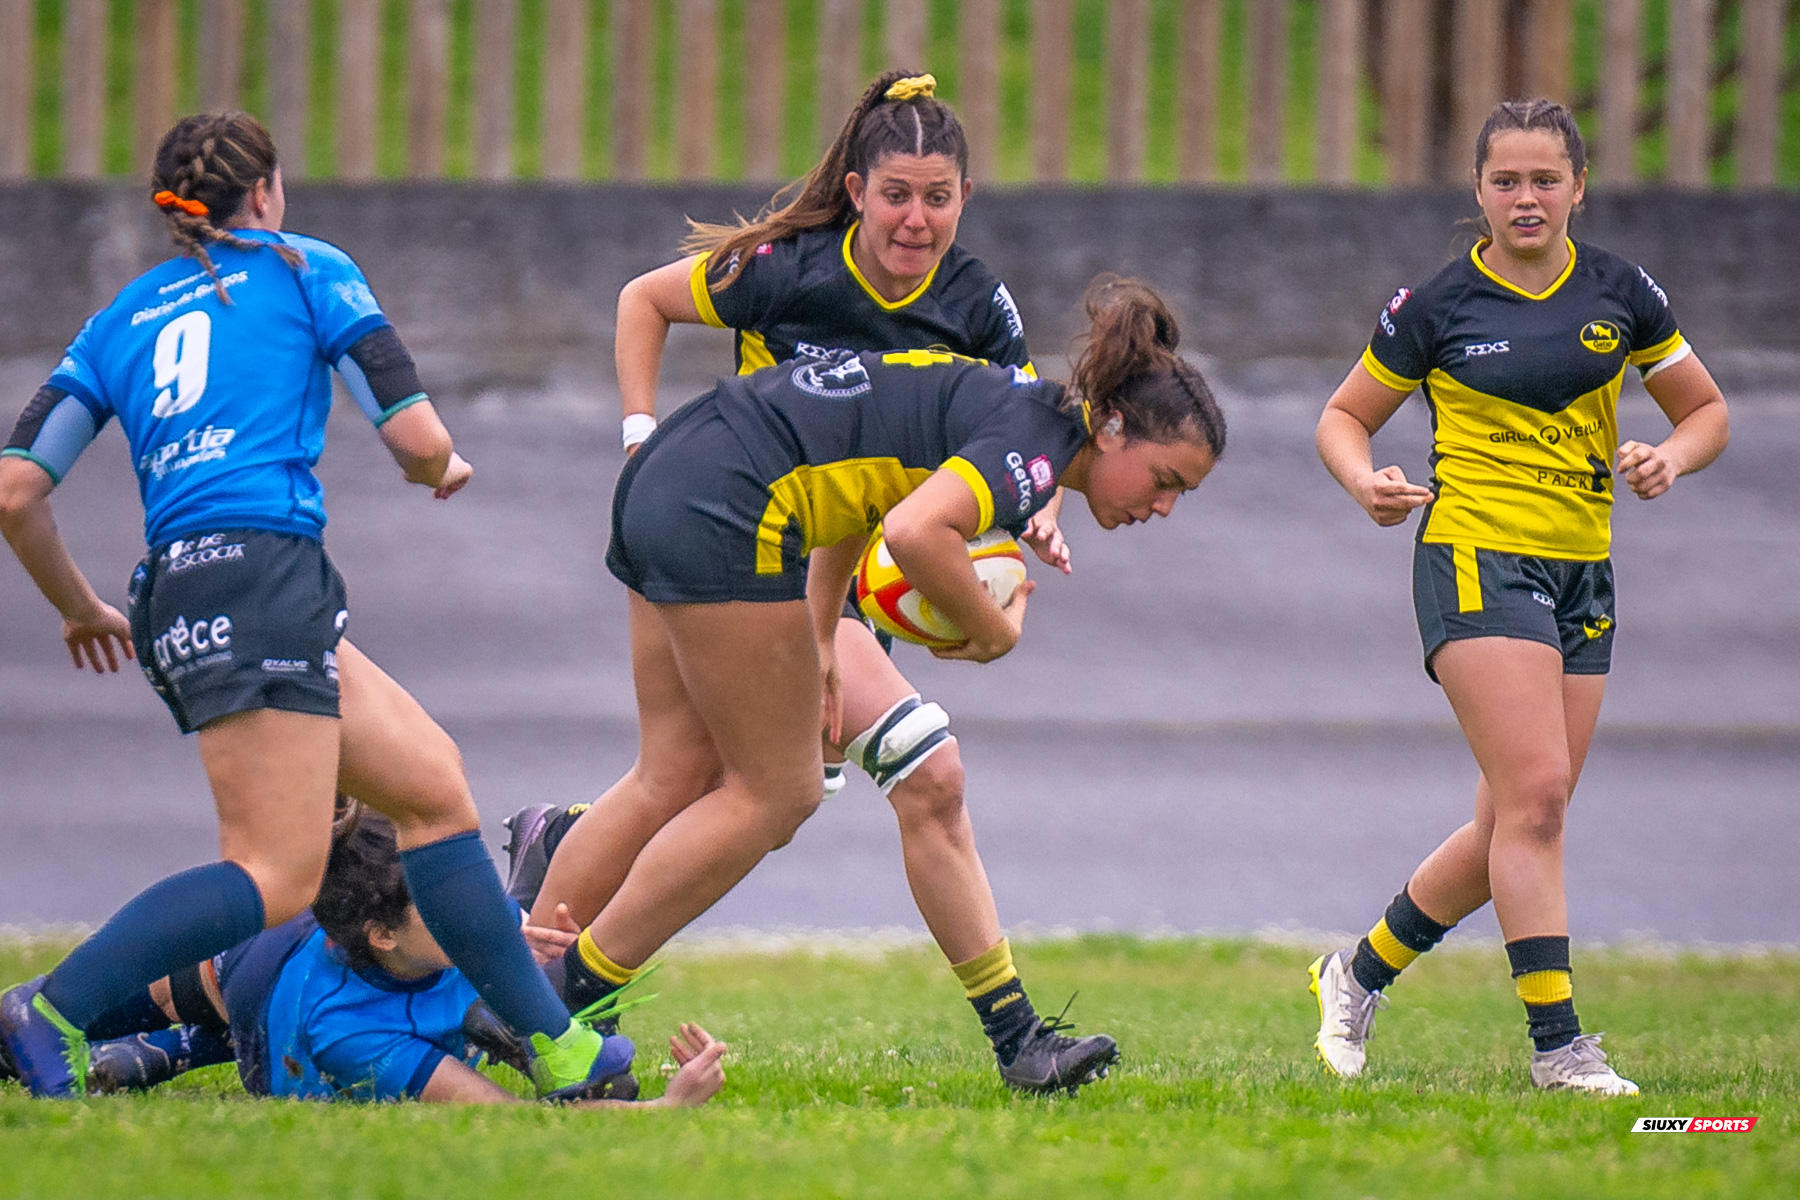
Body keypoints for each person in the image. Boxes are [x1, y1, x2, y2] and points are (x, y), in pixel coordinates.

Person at [0, 111, 626, 1101]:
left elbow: (16, 489)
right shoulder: (306, 268)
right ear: (266, 194)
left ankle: (562, 1048)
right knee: (275, 876)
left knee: (430, 787)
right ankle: (52, 1010)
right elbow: (415, 435)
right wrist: (441, 466)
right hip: (264, 579)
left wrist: (76, 606)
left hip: (176, 590)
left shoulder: (120, 316)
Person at [511, 70, 1101, 1092]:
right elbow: (643, 301)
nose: (917, 219)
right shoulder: (786, 269)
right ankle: (1017, 1042)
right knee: (915, 772)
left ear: (965, 199)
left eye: (940, 197)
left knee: (680, 778)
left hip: (825, 557)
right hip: (743, 535)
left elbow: (1021, 424)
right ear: (859, 189)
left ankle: (533, 981)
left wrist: (1037, 506)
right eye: (897, 195)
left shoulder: (976, 301)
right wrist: (639, 436)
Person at [528, 275, 1223, 1098]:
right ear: (1111, 429)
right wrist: (994, 631)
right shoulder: (1034, 444)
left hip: (675, 476)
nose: (1166, 506)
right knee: (777, 793)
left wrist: (822, 633)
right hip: (725, 503)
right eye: (1167, 479)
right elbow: (914, 530)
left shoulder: (1010, 404)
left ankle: (528, 1002)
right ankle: (563, 996)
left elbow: (857, 487)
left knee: (673, 773)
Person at [1308, 99, 1729, 1094]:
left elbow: (1706, 409)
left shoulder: (1624, 293)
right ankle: (1560, 1049)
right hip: (1472, 558)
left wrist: (1669, 455)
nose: (1526, 198)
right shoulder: (1438, 305)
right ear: (1479, 193)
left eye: (1546, 179)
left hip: (1582, 571)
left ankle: (1357, 973)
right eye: (1507, 181)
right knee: (1538, 801)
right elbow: (1342, 418)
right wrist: (1365, 481)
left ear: (1578, 186)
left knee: (1516, 818)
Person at [76, 809, 726, 1108]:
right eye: (441, 898)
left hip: (345, 936)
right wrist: (666, 1111)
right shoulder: (350, 1032)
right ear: (384, 934)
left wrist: (524, 934)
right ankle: (188, 1044)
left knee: (509, 988)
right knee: (124, 1005)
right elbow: (509, 1118)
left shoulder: (454, 912)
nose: (466, 905)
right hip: (261, 975)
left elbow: (497, 928)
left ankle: (174, 1052)